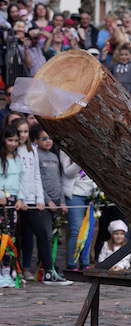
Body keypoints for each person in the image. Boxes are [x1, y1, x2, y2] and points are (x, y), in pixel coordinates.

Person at [13, 119, 58, 284]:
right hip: (18, 200)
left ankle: (46, 270)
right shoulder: (12, 149)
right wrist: (20, 197)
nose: (23, 135)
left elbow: (36, 175)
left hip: (33, 200)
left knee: (40, 234)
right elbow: (14, 177)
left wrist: (40, 198)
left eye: (25, 131)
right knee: (21, 237)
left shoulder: (32, 150)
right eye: (20, 132)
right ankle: (19, 270)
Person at [31, 125, 69, 284]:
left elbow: (59, 181)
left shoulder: (54, 156)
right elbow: (37, 179)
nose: (48, 141)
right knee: (45, 235)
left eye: (50, 138)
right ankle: (47, 269)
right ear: (36, 141)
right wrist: (48, 201)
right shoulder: (36, 156)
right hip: (44, 204)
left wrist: (62, 201)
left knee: (54, 238)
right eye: (44, 138)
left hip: (57, 203)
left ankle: (51, 266)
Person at [0, 127, 23, 288]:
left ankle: (8, 270)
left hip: (13, 201)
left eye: (16, 140)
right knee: (1, 236)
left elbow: (21, 180)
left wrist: (21, 198)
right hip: (1, 200)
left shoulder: (18, 158)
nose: (13, 143)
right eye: (10, 140)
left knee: (11, 237)